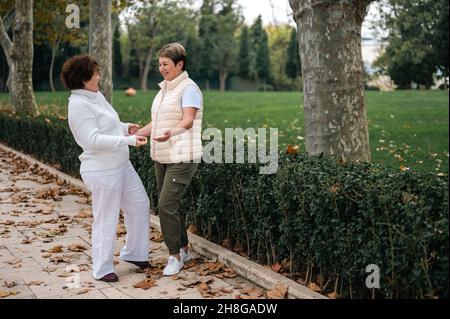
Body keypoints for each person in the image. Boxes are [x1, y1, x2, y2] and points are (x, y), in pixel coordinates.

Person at [61, 54, 151, 282]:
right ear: (84, 77)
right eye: (95, 72)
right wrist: (129, 141)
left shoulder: (95, 96)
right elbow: (92, 139)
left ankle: (134, 253)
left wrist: (125, 128)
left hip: (121, 164)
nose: (99, 75)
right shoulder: (78, 105)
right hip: (102, 170)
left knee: (140, 204)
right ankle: (101, 269)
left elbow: (108, 124)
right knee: (106, 217)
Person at [136, 43, 203, 276]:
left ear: (179, 64)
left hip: (183, 155)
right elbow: (157, 124)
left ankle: (174, 256)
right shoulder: (164, 90)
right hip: (162, 155)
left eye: (165, 64)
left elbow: (188, 120)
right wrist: (135, 133)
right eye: (159, 64)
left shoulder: (189, 89)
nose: (161, 68)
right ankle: (184, 249)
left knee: (165, 206)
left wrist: (170, 133)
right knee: (172, 205)